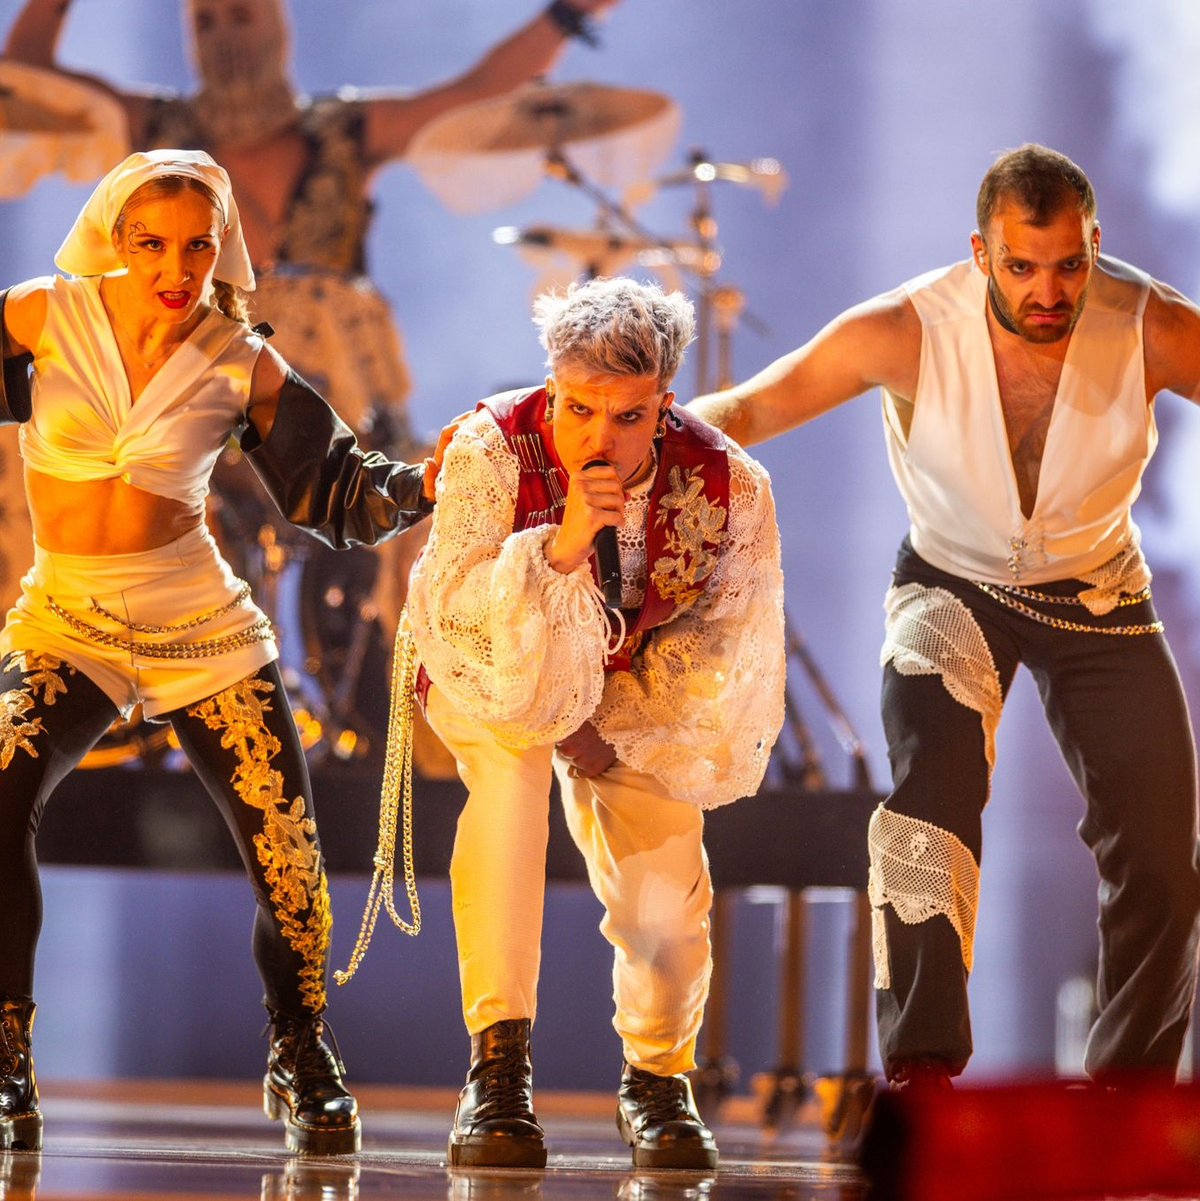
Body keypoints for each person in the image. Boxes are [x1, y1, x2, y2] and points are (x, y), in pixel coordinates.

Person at [688, 143, 1200, 1089]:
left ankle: (1127, 1099)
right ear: (980, 252)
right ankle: (923, 1079)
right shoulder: (906, 327)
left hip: (1099, 595)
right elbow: (748, 410)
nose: (1048, 291)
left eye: (1069, 265)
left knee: (1166, 849)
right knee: (929, 810)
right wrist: (598, 432)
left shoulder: (1155, 326)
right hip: (952, 585)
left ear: (1096, 244)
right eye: (1021, 266)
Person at [0, 148, 441, 1155]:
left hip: (199, 627)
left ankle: (299, 1049)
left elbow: (340, 494)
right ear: (115, 240)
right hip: (68, 620)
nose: (177, 266)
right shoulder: (43, 314)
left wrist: (427, 480)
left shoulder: (240, 358)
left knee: (287, 850)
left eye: (198, 245)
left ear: (221, 247)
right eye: (153, 243)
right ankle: (6, 1054)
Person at [406, 276, 786, 1168]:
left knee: (663, 896)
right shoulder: (491, 448)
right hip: (491, 667)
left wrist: (614, 725)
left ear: (664, 402)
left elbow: (727, 638)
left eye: (627, 416)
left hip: (629, 692)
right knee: (510, 785)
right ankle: (496, 1069)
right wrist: (563, 546)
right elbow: (453, 607)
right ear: (553, 384)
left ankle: (657, 1078)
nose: (599, 438)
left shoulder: (727, 484)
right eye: (579, 409)